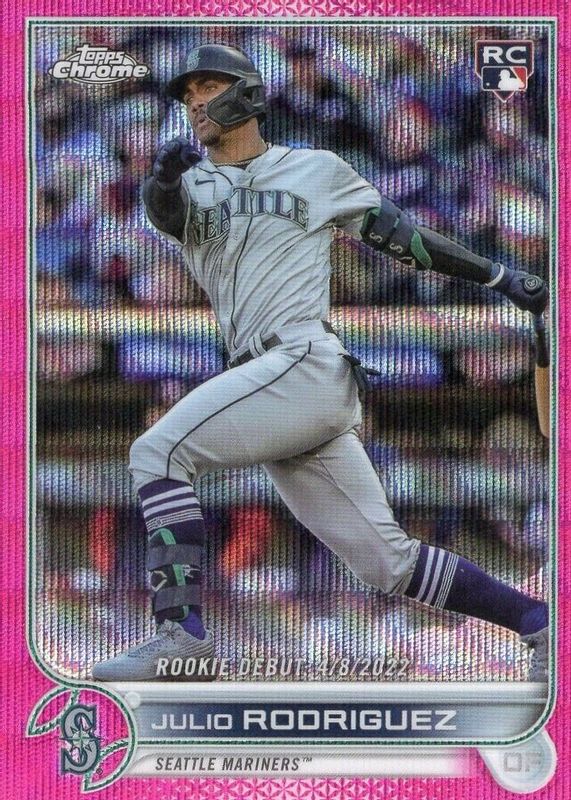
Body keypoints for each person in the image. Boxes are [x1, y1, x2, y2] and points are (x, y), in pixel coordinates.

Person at [92, 44, 549, 682]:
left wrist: (498, 275)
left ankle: (180, 636)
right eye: (188, 94)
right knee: (386, 563)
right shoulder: (190, 185)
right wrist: (161, 180)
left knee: (157, 453)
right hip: (275, 383)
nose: (195, 102)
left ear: (248, 94)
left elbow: (404, 237)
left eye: (208, 87)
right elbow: (166, 213)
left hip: (302, 359)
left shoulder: (316, 169)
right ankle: (541, 624)